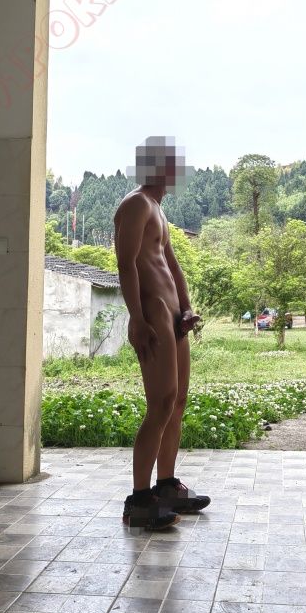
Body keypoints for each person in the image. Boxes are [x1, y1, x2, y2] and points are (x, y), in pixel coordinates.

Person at [114, 136, 211, 531]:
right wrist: (136, 319)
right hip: (152, 314)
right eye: (172, 164)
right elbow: (126, 264)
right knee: (161, 403)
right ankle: (139, 500)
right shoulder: (136, 204)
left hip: (172, 316)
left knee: (178, 401)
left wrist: (186, 309)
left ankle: (166, 485)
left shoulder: (158, 209)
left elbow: (173, 266)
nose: (177, 171)